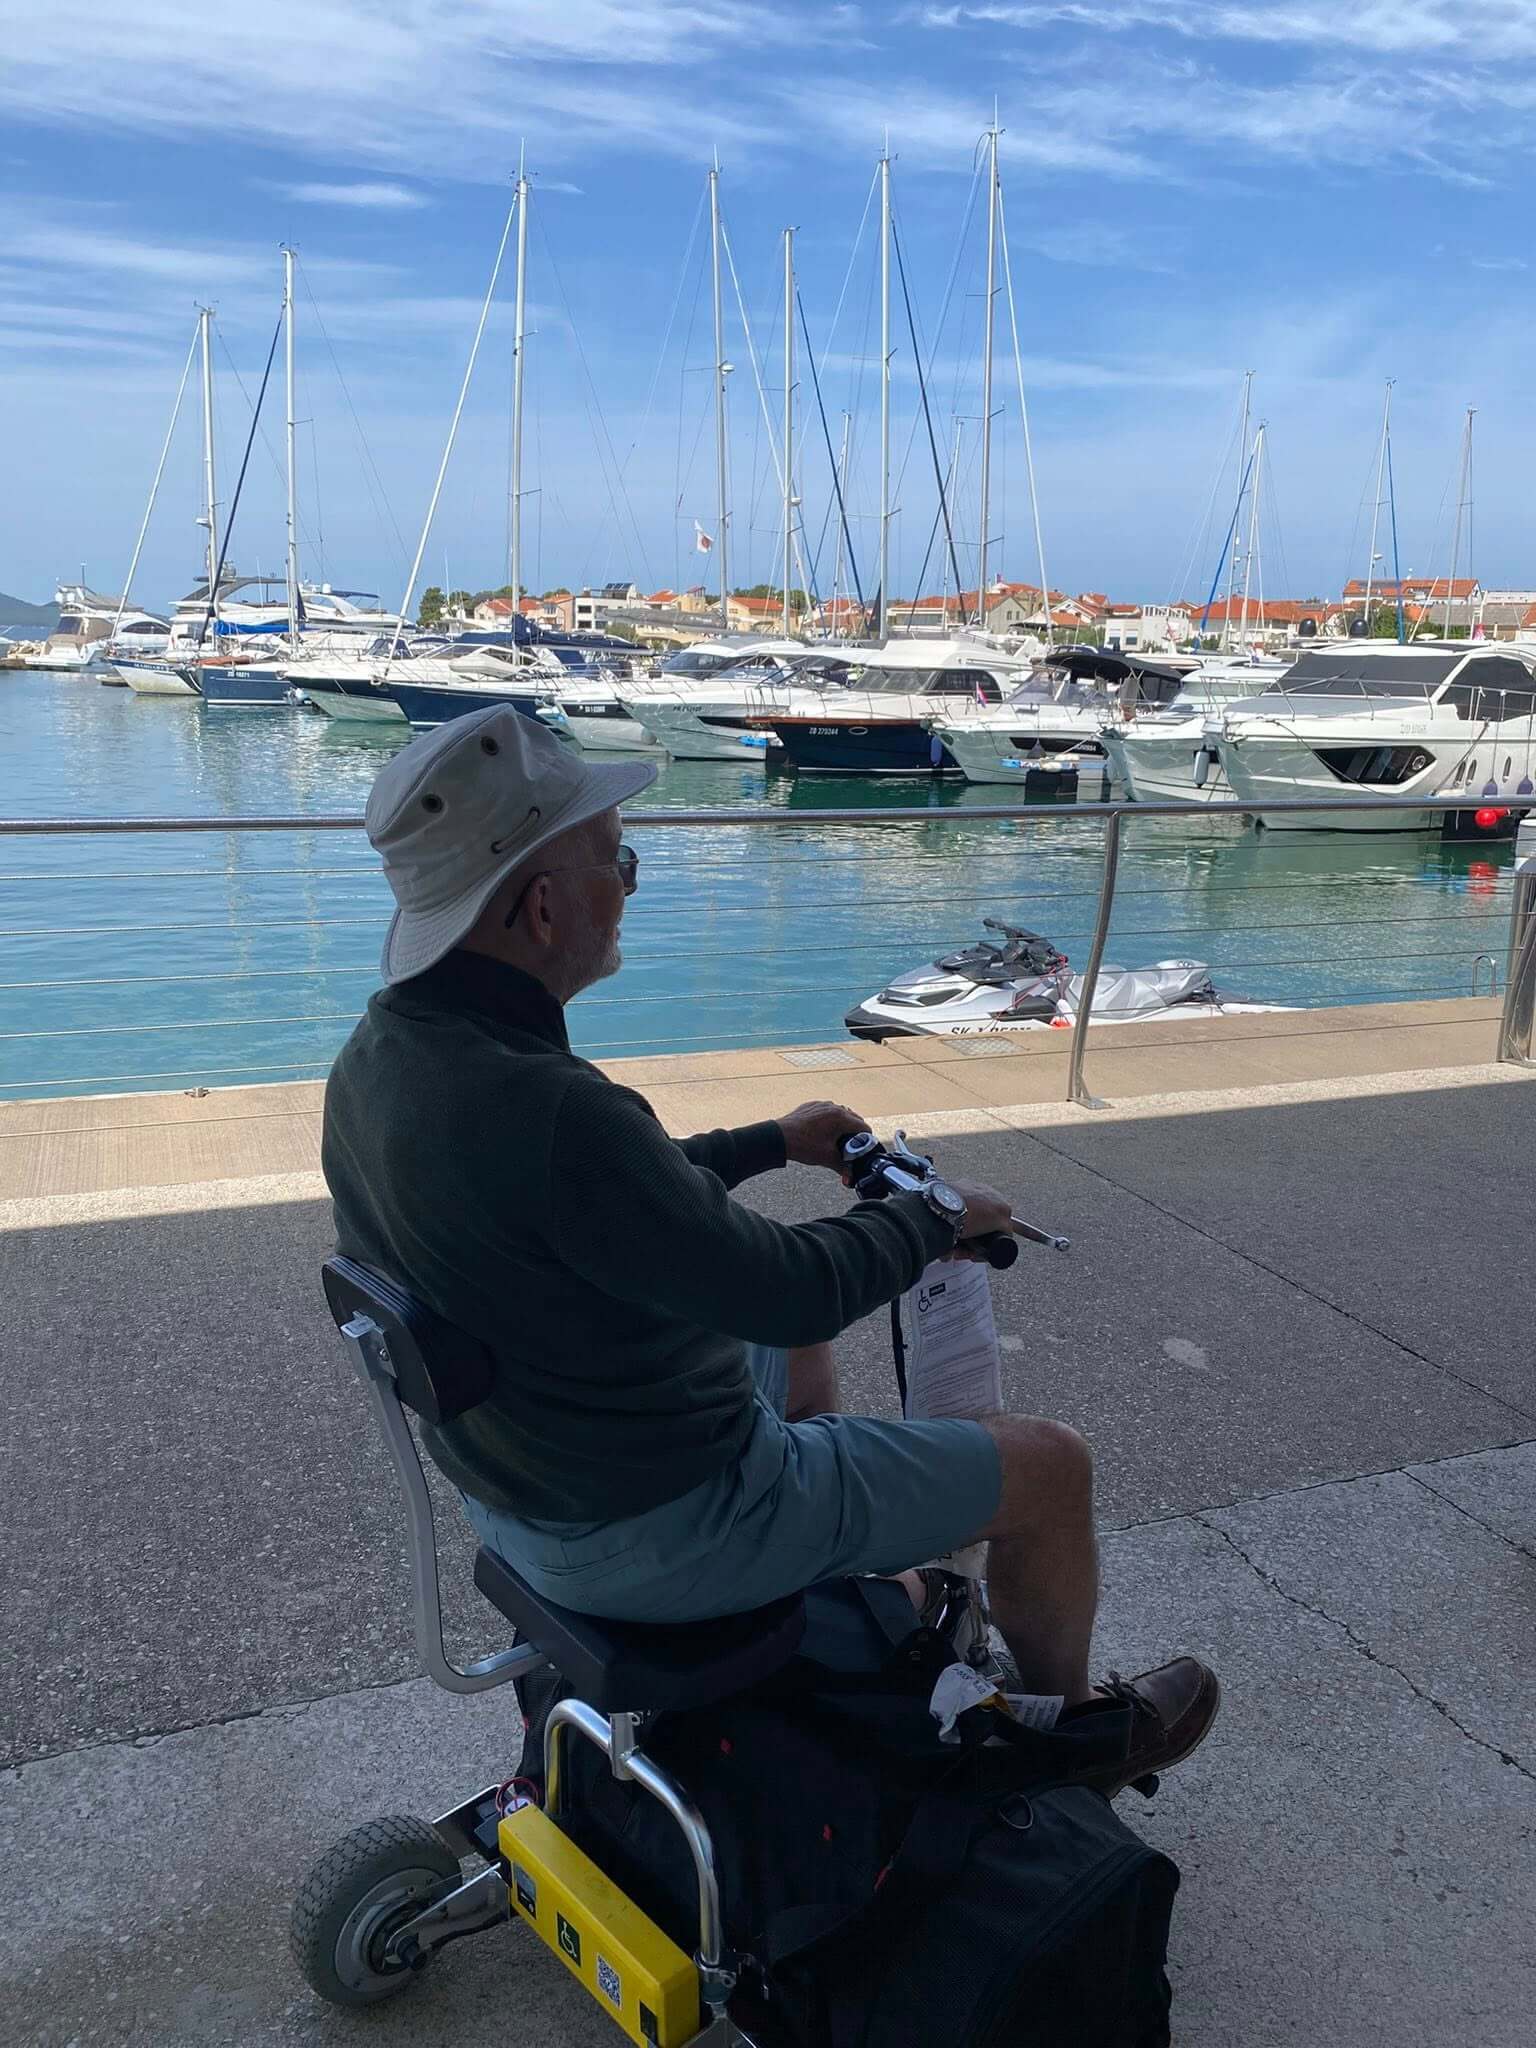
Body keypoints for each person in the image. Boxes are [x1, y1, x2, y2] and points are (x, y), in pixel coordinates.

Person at [324, 708, 1219, 1793]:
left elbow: (609, 1198)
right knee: (1049, 1466)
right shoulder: (556, 1112)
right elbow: (792, 1290)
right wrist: (941, 1215)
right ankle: (1074, 1736)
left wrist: (775, 1141)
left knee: (784, 1364)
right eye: (621, 861)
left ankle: (856, 1573)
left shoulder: (381, 1062)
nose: (629, 887)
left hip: (525, 1488)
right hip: (656, 1524)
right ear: (546, 903)